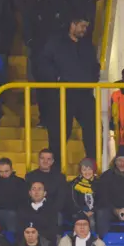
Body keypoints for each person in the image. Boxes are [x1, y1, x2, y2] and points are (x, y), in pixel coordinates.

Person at [38, 16, 99, 169]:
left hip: (84, 93)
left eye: (86, 27)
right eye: (82, 26)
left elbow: (94, 65)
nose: (85, 30)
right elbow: (44, 64)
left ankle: (92, 166)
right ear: (73, 25)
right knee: (59, 133)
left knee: (93, 130)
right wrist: (57, 79)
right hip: (62, 93)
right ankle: (55, 169)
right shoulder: (55, 43)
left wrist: (92, 79)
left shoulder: (87, 45)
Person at [25, 149, 68, 214]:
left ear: (52, 161)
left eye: (48, 159)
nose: (45, 161)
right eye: (42, 158)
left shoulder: (60, 177)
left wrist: (50, 211)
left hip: (53, 212)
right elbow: (28, 197)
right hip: (33, 210)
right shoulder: (30, 176)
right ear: (38, 160)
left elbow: (60, 199)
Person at [66, 158, 98, 229]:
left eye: (89, 169)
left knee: (94, 221)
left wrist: (93, 211)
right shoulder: (74, 183)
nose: (87, 172)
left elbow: (101, 199)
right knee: (84, 221)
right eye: (84, 170)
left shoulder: (98, 183)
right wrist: (82, 211)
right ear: (80, 171)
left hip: (94, 211)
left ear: (94, 170)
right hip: (79, 210)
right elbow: (72, 200)